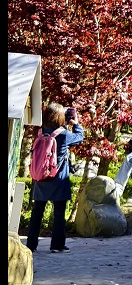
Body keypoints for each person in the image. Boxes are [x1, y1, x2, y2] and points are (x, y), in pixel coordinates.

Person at [26, 103, 85, 253]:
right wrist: (76, 123)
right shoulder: (63, 134)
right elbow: (79, 137)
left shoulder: (39, 132)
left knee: (37, 211)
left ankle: (31, 246)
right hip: (58, 178)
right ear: (61, 117)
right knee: (59, 213)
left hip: (41, 176)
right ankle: (57, 245)